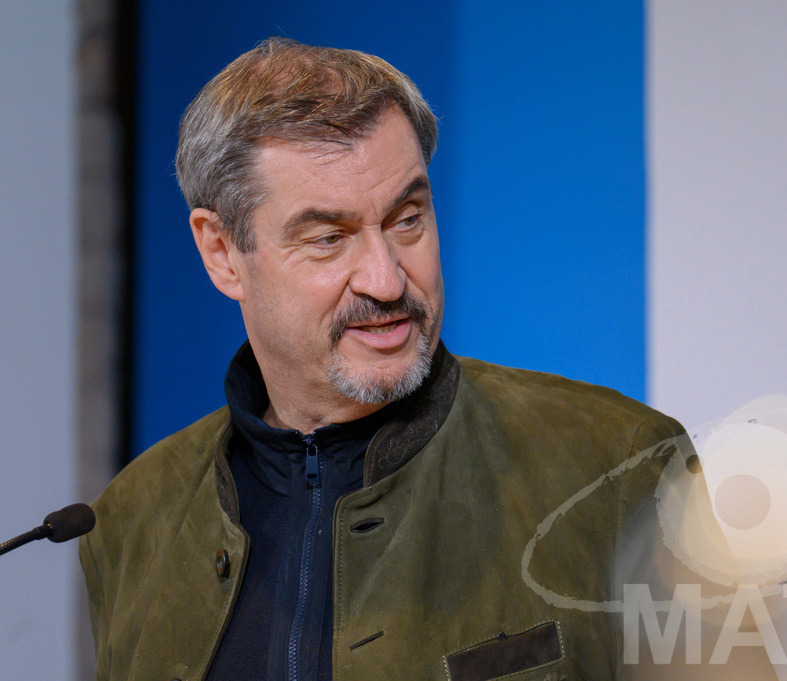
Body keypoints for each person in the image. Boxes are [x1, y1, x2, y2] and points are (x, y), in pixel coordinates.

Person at [80, 37, 689, 681]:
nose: (388, 280)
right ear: (222, 252)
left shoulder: (622, 466)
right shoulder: (130, 519)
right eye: (328, 238)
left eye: (406, 219)